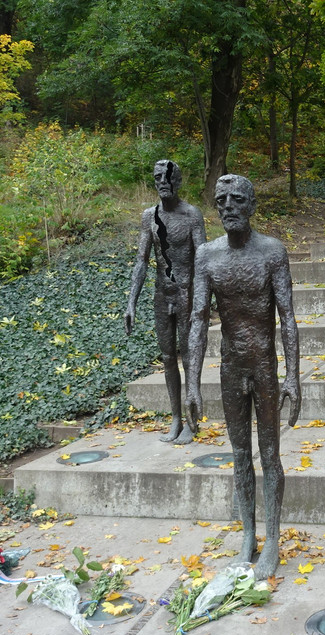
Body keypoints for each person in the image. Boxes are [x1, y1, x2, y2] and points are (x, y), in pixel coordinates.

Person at [185, 174, 302, 581]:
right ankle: (248, 534)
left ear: (252, 205)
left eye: (237, 199)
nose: (228, 206)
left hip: (265, 366)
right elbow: (198, 319)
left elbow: (287, 315)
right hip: (231, 365)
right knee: (239, 456)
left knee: (269, 454)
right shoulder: (206, 256)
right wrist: (191, 382)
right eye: (221, 200)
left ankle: (272, 538)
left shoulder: (272, 252)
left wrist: (293, 376)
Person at [125, 159, 206, 444]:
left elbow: (203, 260)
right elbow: (141, 261)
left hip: (186, 295)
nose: (163, 181)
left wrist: (202, 302)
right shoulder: (149, 216)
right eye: (158, 177)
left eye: (168, 177)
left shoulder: (192, 215)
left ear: (178, 182)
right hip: (162, 295)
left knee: (188, 358)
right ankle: (174, 417)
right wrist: (131, 302)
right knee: (169, 358)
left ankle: (190, 421)